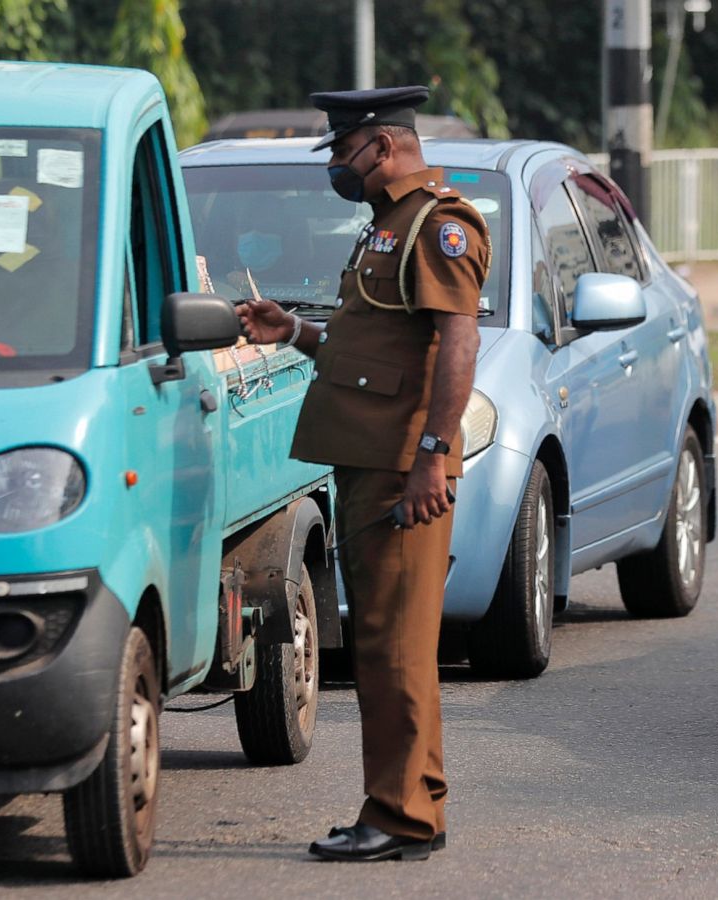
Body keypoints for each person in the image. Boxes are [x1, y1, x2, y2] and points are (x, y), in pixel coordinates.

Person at [235, 85, 488, 861]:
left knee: (394, 649)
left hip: (401, 470)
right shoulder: (389, 226)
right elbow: (377, 350)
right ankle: (416, 806)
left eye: (343, 151)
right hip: (371, 464)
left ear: (382, 145)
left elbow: (457, 344)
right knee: (386, 644)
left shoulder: (439, 226)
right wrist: (299, 334)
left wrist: (433, 457)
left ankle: (401, 817)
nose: (337, 166)